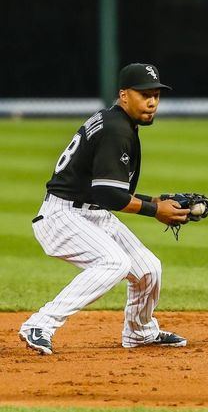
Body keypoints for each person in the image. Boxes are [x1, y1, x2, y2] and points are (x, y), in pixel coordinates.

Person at [20, 63, 190, 355]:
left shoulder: (116, 122)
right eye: (144, 94)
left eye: (156, 95)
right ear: (124, 95)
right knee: (113, 263)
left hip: (90, 213)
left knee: (148, 270)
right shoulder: (117, 130)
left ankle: (140, 332)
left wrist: (157, 200)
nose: (152, 102)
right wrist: (155, 210)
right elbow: (110, 194)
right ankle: (40, 324)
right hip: (63, 216)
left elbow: (108, 189)